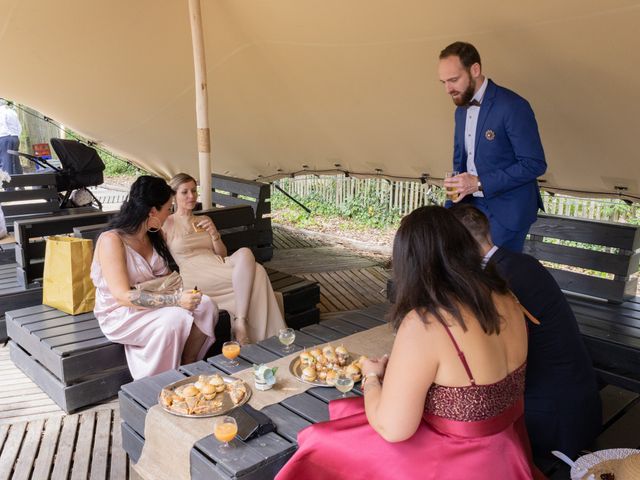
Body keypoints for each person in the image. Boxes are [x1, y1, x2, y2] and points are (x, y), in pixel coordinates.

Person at [277, 206, 544, 480]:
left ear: (409, 262)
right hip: (509, 450)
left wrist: (370, 377)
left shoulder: (427, 322)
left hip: (458, 463)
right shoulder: (507, 297)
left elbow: (393, 429)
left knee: (320, 442)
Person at [451, 203, 602, 459]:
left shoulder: (497, 283)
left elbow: (487, 364)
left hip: (551, 423)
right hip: (580, 401)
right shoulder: (519, 263)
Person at [91, 176, 218, 380]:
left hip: (156, 299)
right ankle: (160, 380)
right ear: (152, 211)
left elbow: (168, 278)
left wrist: (182, 294)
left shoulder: (153, 235)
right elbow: (122, 296)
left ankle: (188, 364)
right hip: (120, 312)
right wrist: (176, 300)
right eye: (168, 209)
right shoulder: (111, 241)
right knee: (175, 318)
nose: (170, 214)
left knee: (206, 305)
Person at [439, 41, 547, 252]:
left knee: (494, 278)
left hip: (508, 211)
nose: (448, 89)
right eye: (443, 82)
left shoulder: (513, 106)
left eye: (453, 80)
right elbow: (460, 161)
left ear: (475, 69)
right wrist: (450, 206)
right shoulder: (460, 110)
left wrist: (479, 183)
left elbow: (534, 164)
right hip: (471, 209)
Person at [163, 173, 286, 344]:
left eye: (194, 191)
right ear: (174, 196)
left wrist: (214, 234)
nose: (191, 196)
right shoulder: (166, 223)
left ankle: (241, 321)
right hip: (194, 274)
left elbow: (221, 254)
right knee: (257, 271)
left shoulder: (203, 219)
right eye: (185, 192)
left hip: (217, 263)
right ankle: (267, 340)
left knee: (245, 253)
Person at [0, 100, 23, 175]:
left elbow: (3, 123)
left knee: (6, 161)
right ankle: (21, 183)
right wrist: (16, 135)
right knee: (15, 160)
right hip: (15, 137)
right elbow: (19, 126)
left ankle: (9, 185)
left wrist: (7, 133)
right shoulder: (12, 111)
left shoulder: (1, 111)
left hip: (5, 137)